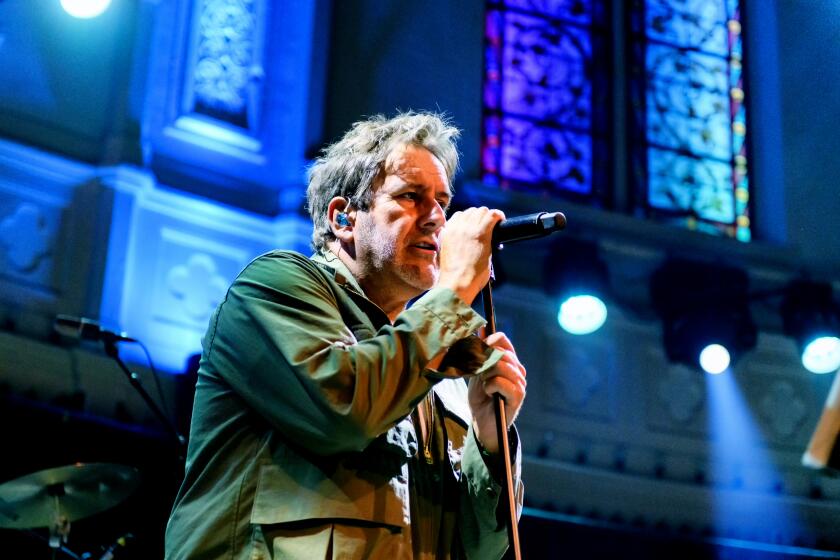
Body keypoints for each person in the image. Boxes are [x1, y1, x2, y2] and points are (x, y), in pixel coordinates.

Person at [165, 112, 527, 559]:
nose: (438, 219)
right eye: (412, 197)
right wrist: (453, 290)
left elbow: (481, 549)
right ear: (344, 217)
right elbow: (346, 409)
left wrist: (490, 446)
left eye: (442, 202)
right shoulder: (276, 287)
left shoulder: (443, 374)